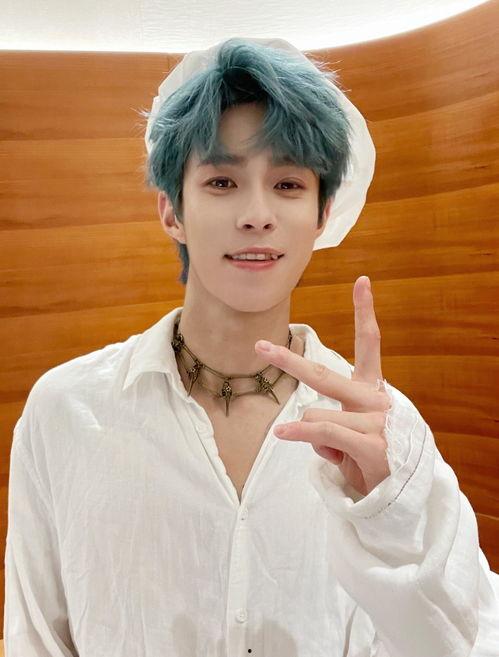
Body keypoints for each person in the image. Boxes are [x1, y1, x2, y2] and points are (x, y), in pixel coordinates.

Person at [3, 37, 498, 657]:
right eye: (222, 180)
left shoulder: (380, 431)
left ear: (322, 215)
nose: (257, 214)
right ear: (171, 212)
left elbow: (465, 637)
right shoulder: (66, 411)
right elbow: (35, 638)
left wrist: (390, 510)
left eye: (288, 183)